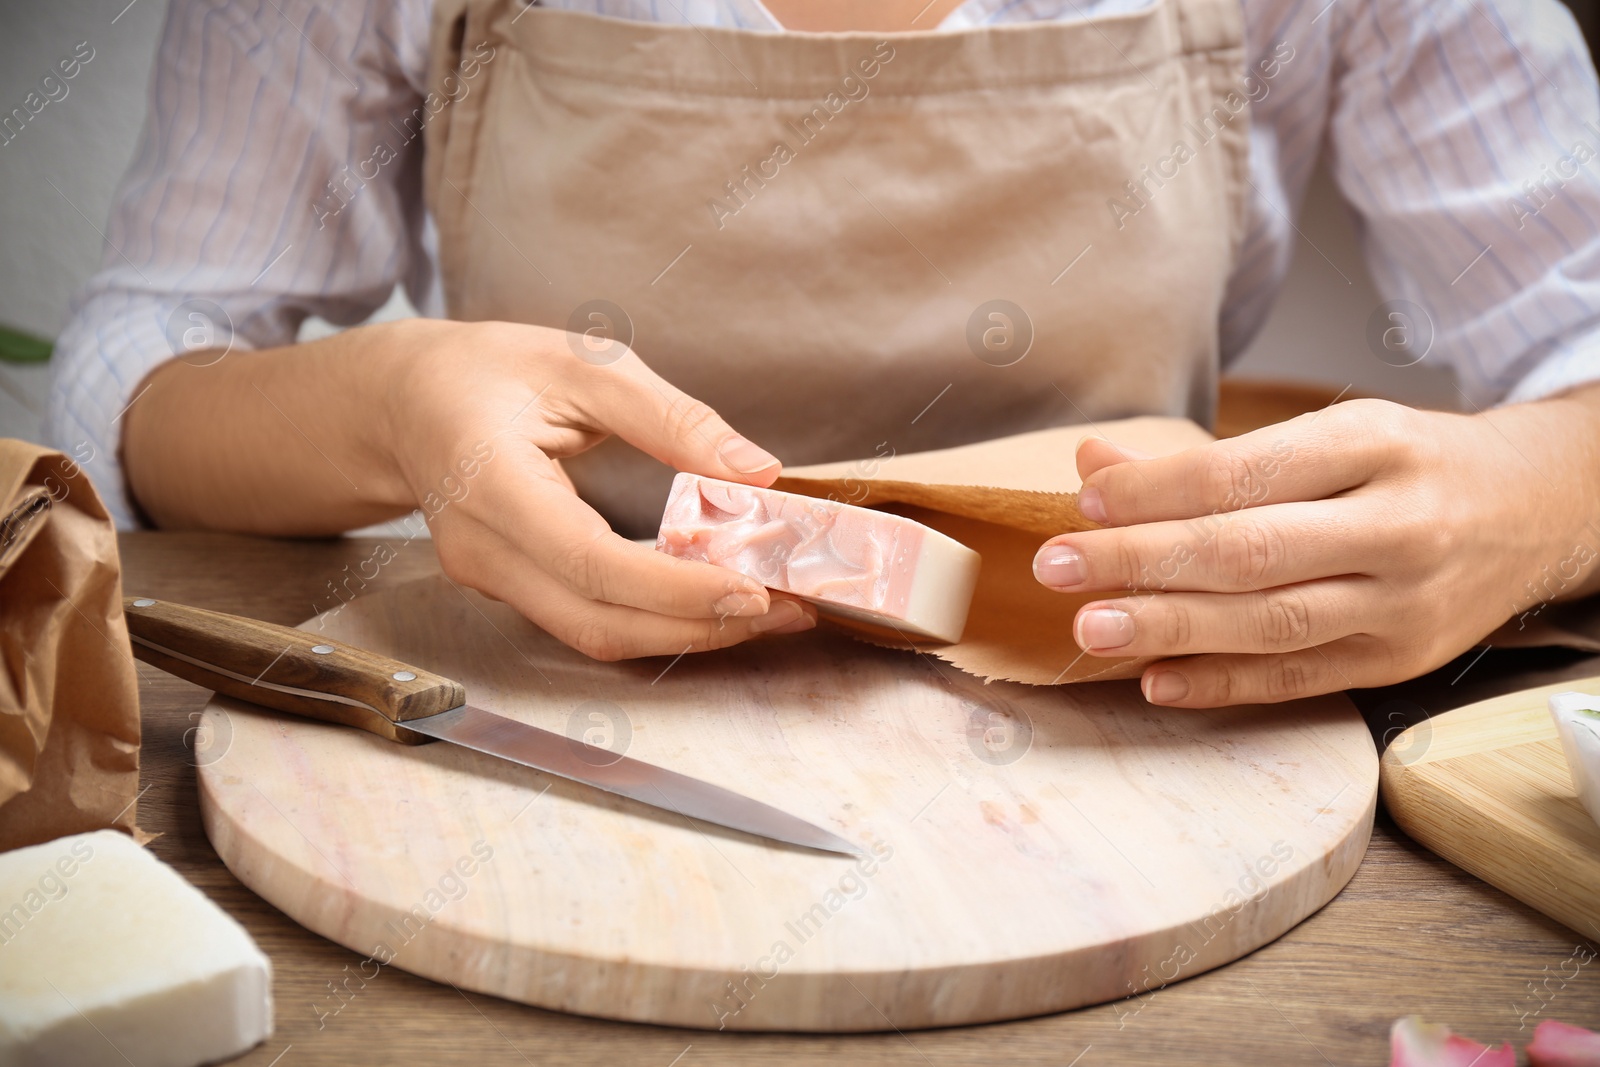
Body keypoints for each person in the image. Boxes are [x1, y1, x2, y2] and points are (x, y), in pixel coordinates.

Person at [47, 0, 1600, 708]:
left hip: (1140, 715)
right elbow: (149, 359)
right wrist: (390, 409)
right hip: (555, 705)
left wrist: (1524, 497)